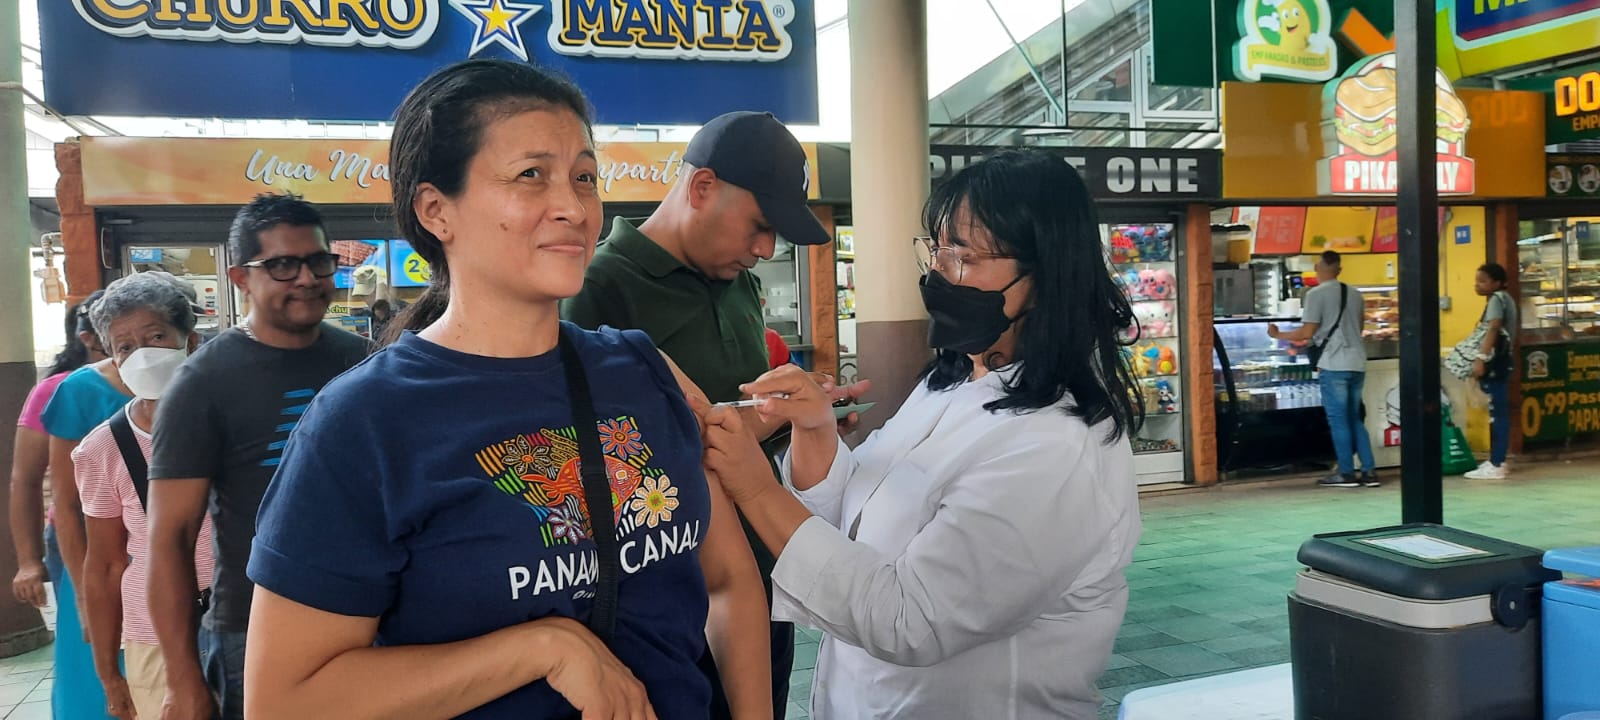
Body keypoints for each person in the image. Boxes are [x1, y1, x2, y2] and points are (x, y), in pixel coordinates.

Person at [243, 59, 771, 719]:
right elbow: (284, 701)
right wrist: (544, 649)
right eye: (531, 176)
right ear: (436, 210)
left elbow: (727, 581)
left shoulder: (642, 371)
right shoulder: (364, 422)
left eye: (584, 177)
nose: (573, 207)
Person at [699, 149, 1144, 719]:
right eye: (937, 249)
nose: (939, 272)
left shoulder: (1057, 444)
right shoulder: (952, 381)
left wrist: (757, 489)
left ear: (1046, 275)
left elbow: (911, 620)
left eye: (965, 257)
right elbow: (851, 524)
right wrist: (814, 431)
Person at [559, 110, 837, 719]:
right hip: (668, 594)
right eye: (760, 227)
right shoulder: (598, 288)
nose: (764, 251)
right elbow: (590, 459)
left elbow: (738, 417)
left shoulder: (739, 284)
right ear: (703, 187)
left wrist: (797, 413)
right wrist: (748, 425)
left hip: (764, 574)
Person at [146, 192, 370, 720]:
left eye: (318, 261)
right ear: (240, 277)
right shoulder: (202, 384)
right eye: (283, 265)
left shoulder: (364, 360)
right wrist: (183, 680)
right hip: (253, 630)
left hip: (366, 617)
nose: (307, 278)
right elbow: (170, 537)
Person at [72, 272, 217, 720]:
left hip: (245, 623)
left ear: (190, 341)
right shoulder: (104, 447)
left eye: (156, 337)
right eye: (125, 347)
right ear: (114, 361)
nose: (143, 355)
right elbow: (105, 564)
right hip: (154, 641)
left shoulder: (234, 422)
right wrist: (109, 676)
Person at [11, 291, 118, 720]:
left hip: (150, 533)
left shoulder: (168, 383)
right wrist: (28, 560)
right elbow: (25, 479)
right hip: (78, 536)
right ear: (89, 337)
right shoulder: (60, 390)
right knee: (89, 635)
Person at [1269, 251, 1378, 488]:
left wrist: (1279, 335)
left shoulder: (1315, 294)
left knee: (1338, 420)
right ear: (1339, 269)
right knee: (1354, 418)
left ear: (1319, 268)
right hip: (1357, 362)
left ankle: (1346, 473)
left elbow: (1307, 332)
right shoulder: (1355, 294)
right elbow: (1359, 328)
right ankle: (1369, 472)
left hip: (1333, 363)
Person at [1461, 263, 1516, 480]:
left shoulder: (1496, 300)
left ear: (1497, 283)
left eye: (1483, 281)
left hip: (1496, 363)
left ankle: (1497, 463)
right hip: (1503, 361)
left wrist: (1481, 358)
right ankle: (1497, 459)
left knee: (1497, 413)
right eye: (1477, 280)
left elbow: (1493, 328)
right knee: (1498, 412)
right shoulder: (1506, 299)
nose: (1477, 285)